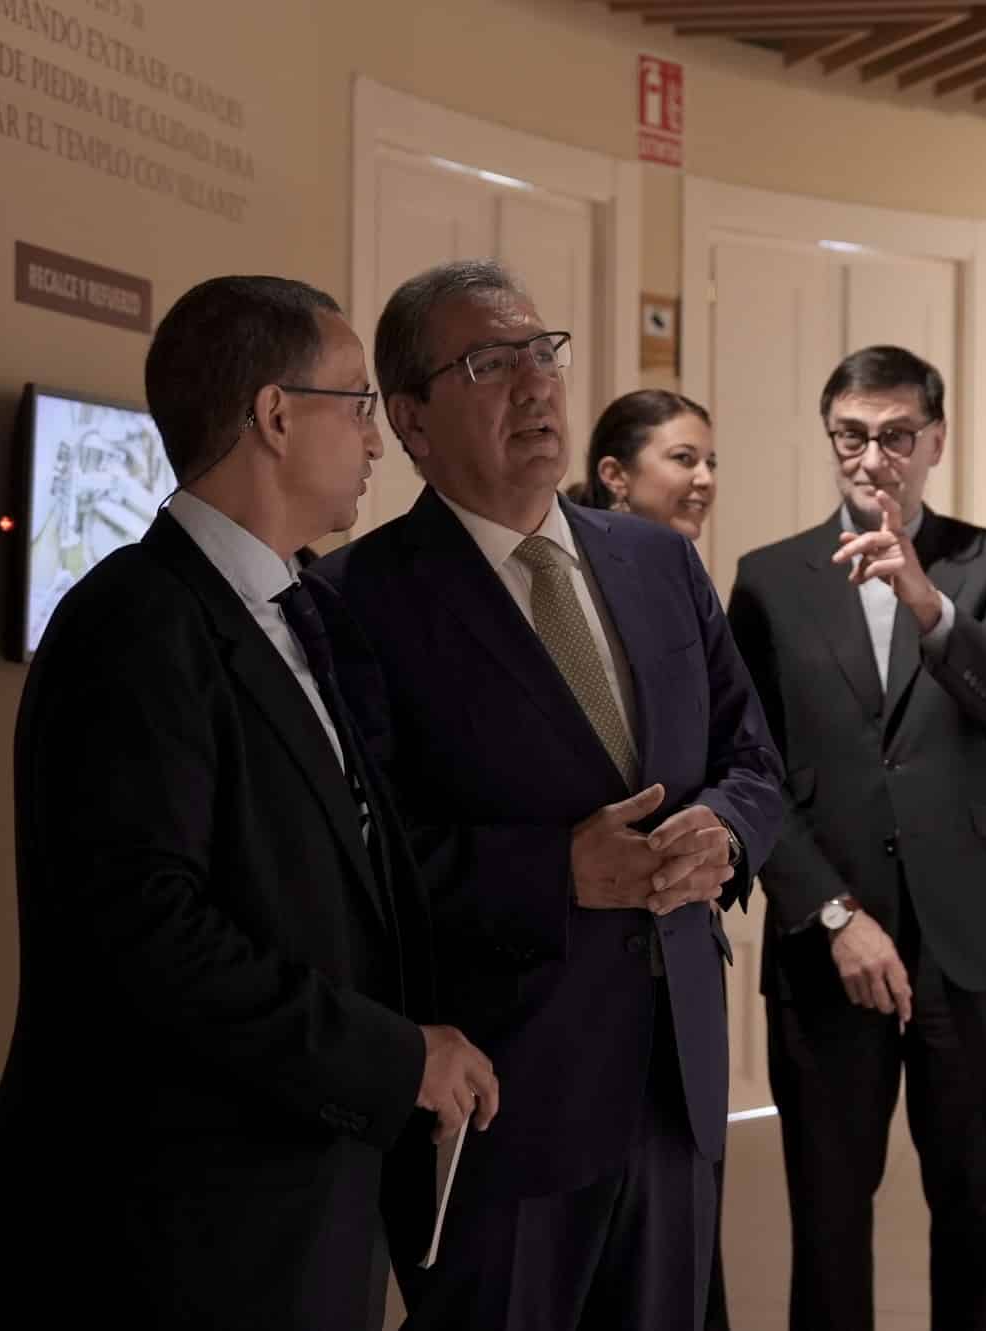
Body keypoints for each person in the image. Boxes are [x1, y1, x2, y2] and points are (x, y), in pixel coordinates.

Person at [0, 276, 498, 1331]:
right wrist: (396, 1056)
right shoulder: (135, 621)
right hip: (156, 1243)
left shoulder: (299, 611)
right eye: (356, 402)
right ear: (275, 415)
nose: (378, 439)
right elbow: (155, 934)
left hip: (281, 1216)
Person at [316, 259, 783, 1331]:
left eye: (544, 353)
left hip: (674, 1074)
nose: (535, 386)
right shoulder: (355, 602)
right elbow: (357, 859)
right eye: (489, 362)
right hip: (503, 1100)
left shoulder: (659, 563)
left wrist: (726, 829)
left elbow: (752, 755)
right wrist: (554, 871)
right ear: (412, 418)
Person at [726, 345, 986, 1331]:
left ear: (934, 441)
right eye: (850, 435)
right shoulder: (767, 577)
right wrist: (830, 911)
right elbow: (750, 768)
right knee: (826, 1217)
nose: (872, 457)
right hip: (831, 939)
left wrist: (926, 599)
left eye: (895, 436)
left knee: (979, 1209)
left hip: (974, 936)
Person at [574, 386, 735, 1331]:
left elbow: (749, 759)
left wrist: (719, 823)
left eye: (710, 459)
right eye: (683, 458)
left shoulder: (683, 576)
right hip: (567, 993)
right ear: (612, 475)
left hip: (678, 980)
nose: (704, 478)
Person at [569, 389, 718, 541]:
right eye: (683, 457)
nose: (707, 480)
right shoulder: (569, 560)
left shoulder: (677, 563)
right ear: (615, 475)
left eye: (710, 464)